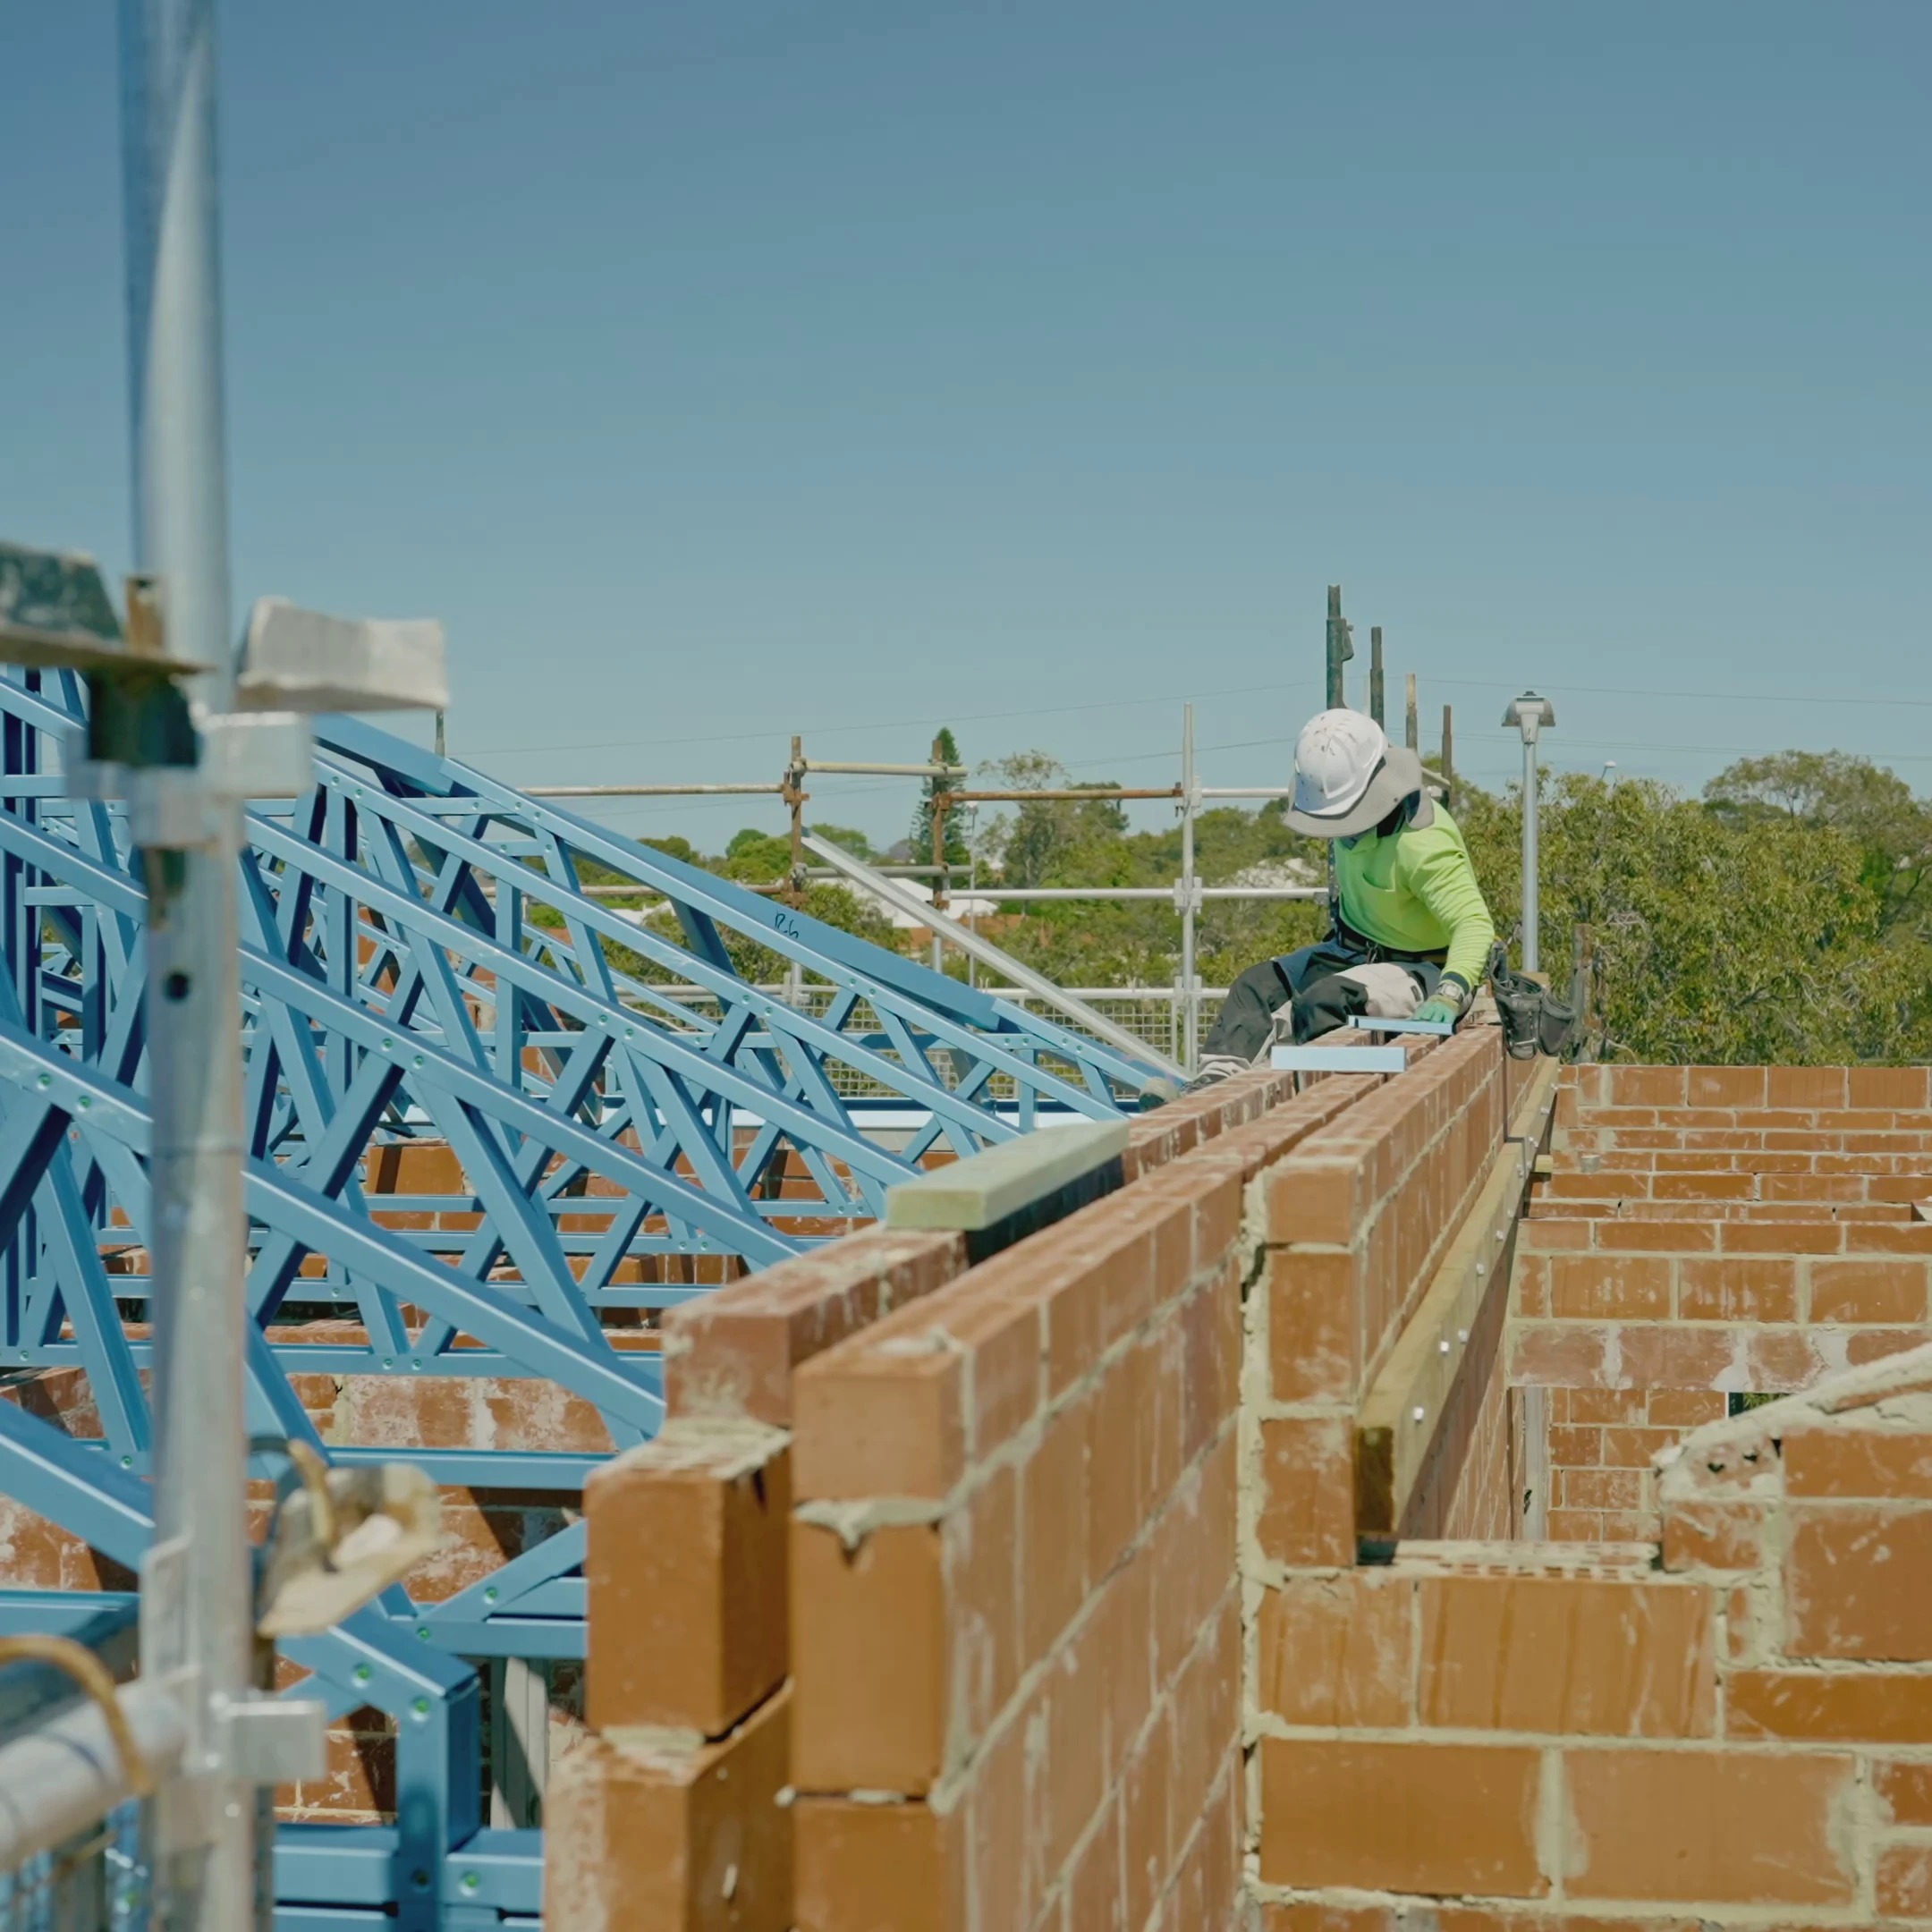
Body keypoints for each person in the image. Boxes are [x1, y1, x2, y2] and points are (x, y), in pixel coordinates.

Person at [1171, 708, 1496, 1096]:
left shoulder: (1423, 842)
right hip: (1355, 951)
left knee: (1327, 1001)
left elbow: (1474, 925)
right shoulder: (1350, 826)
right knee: (1256, 986)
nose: (1341, 833)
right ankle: (1214, 1089)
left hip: (1422, 969)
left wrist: (1450, 993)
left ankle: (1284, 1095)